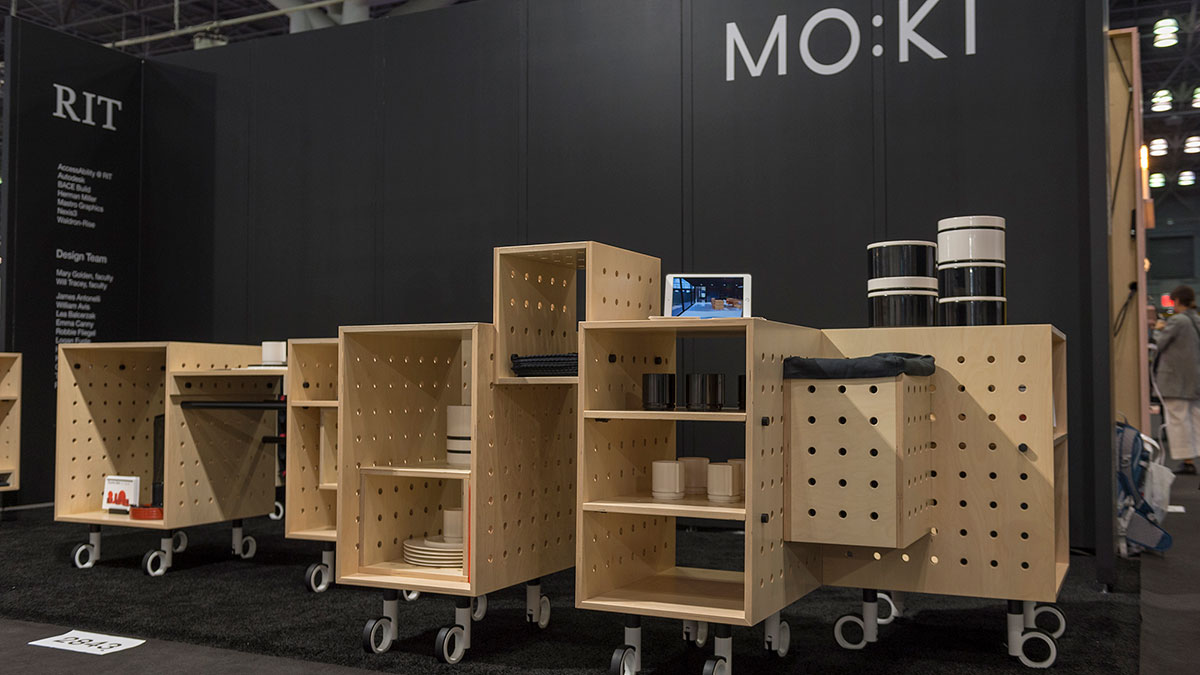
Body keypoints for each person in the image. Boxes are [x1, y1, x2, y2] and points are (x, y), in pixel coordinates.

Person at [1155, 285, 1200, 473]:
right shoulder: (1196, 319)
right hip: (1193, 380)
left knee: (1178, 421)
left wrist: (1157, 329)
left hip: (1175, 381)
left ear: (1178, 301)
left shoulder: (1178, 320)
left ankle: (1187, 461)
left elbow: (1160, 343)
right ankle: (1192, 458)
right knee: (1195, 420)